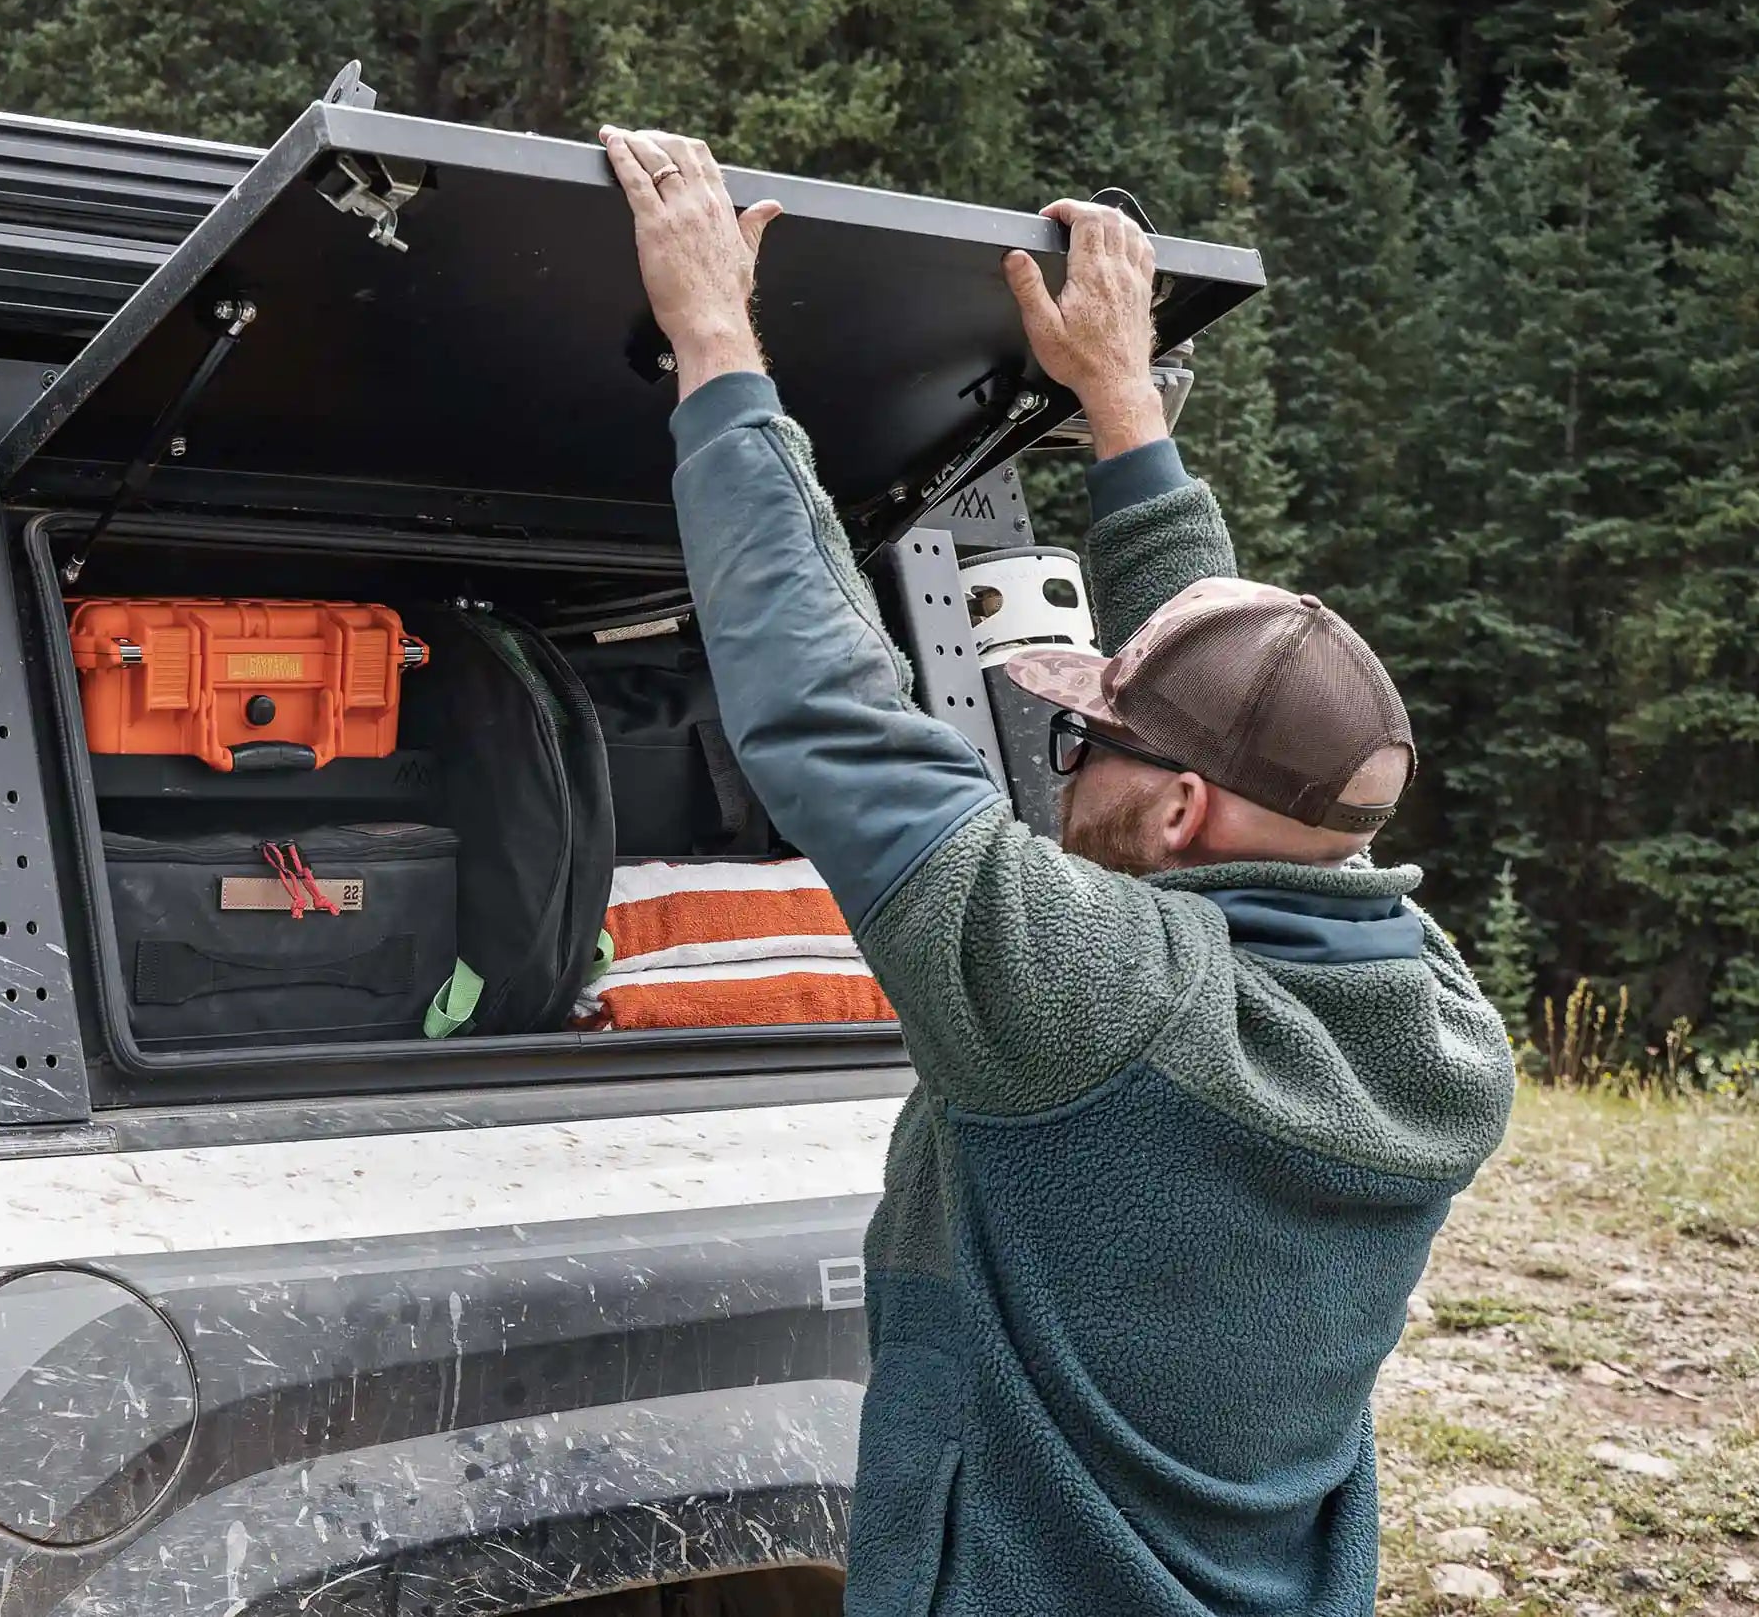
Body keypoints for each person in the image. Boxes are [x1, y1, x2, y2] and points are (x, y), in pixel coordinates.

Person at [596, 124, 1514, 1617]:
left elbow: (833, 714)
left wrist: (715, 339)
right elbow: (1226, 724)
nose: (1063, 759)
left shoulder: (1098, 1001)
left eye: (1089, 741)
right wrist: (1123, 406)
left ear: (1177, 817)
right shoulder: (1450, 1033)